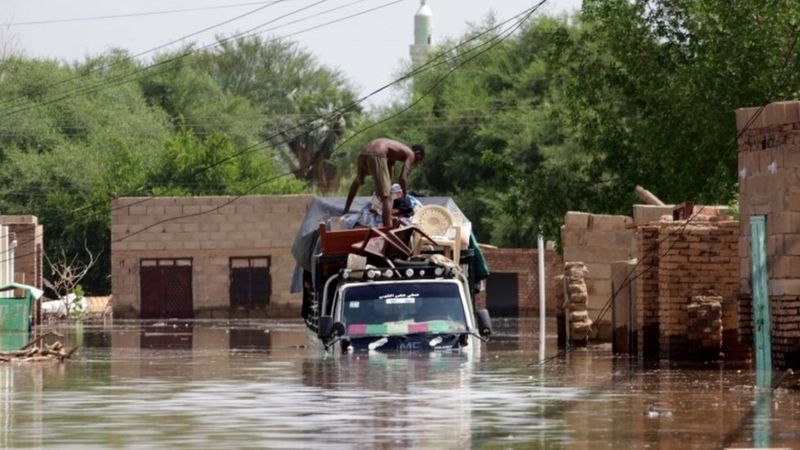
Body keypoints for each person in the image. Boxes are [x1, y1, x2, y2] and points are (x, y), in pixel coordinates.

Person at [343, 138, 425, 227]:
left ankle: (345, 210)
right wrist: (404, 195)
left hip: (363, 154)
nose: (417, 162)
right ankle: (387, 228)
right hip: (377, 155)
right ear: (418, 154)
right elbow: (402, 178)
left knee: (358, 180)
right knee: (387, 197)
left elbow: (390, 167)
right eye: (419, 160)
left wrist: (388, 185)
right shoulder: (411, 154)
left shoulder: (397, 150)